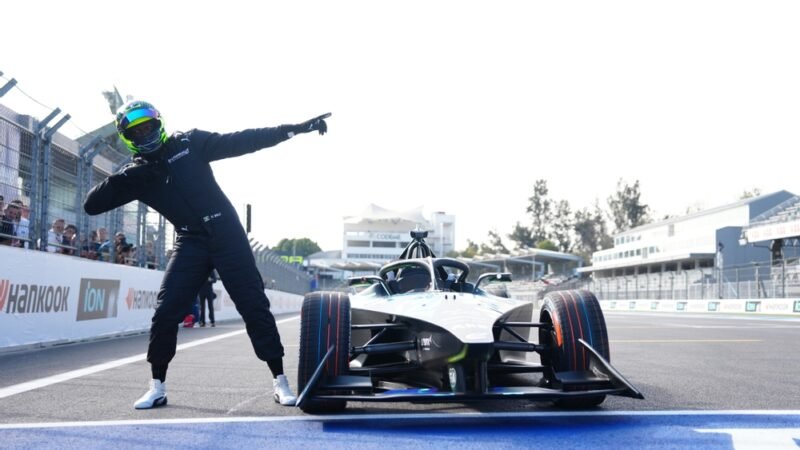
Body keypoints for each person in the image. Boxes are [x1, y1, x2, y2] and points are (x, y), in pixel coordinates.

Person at [84, 100, 330, 410]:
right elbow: (91, 205)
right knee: (166, 310)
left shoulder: (190, 142)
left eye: (148, 126)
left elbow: (244, 140)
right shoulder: (137, 174)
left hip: (228, 235)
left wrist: (292, 129)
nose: (145, 133)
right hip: (190, 241)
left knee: (254, 306)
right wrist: (127, 176)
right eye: (137, 131)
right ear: (128, 137)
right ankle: (156, 385)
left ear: (158, 124)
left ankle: (280, 381)